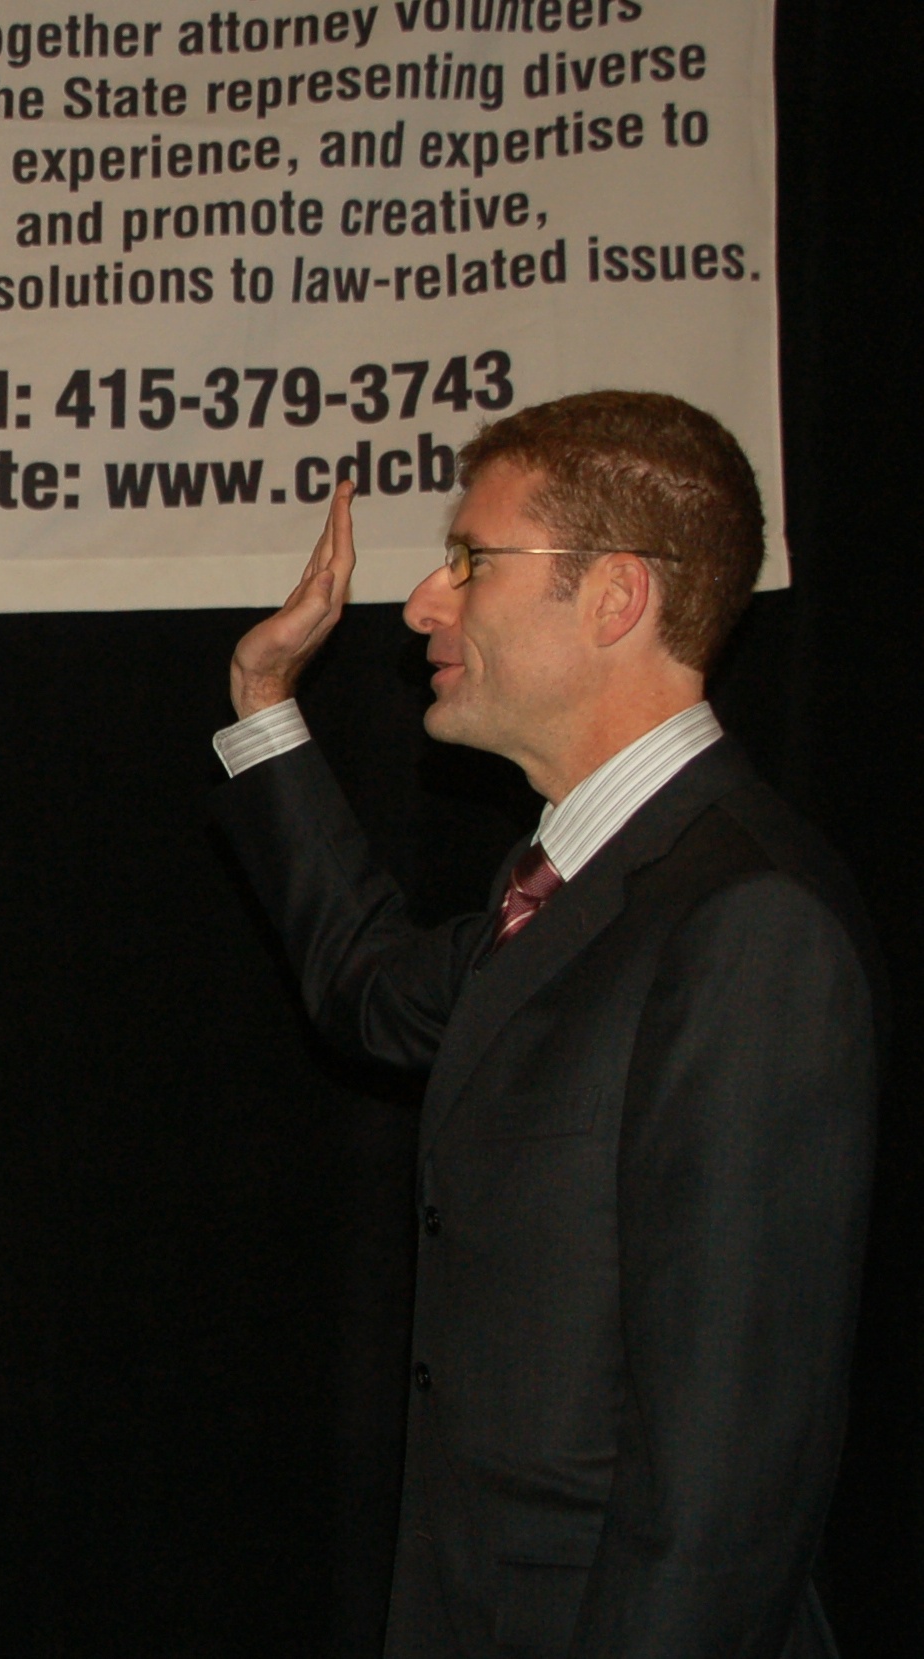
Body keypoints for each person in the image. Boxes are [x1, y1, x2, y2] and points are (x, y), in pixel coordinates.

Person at [211, 392, 876, 1657]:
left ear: (613, 596)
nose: (422, 603)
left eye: (470, 559)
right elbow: (370, 990)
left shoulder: (746, 924)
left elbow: (723, 1493)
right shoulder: (573, 886)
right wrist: (262, 700)